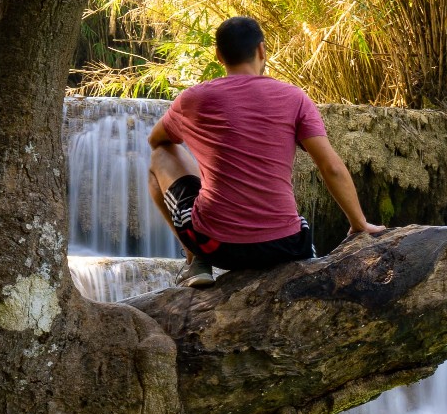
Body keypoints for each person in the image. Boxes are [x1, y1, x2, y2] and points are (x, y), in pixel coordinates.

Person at [148, 16, 383, 287]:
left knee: (160, 156)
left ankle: (196, 257)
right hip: (287, 247)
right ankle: (305, 265)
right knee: (296, 225)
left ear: (218, 55)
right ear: (262, 50)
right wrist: (359, 224)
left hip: (219, 246)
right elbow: (330, 167)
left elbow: (157, 141)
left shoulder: (193, 99)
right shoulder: (295, 98)